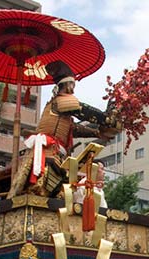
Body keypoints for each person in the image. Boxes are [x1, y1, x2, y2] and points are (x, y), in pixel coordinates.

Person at [10, 60, 116, 197]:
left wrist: (97, 133)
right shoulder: (61, 101)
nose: (73, 88)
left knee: (52, 192)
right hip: (48, 154)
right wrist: (106, 118)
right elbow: (83, 110)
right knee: (43, 191)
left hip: (53, 154)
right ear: (67, 85)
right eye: (72, 84)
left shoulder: (59, 108)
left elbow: (74, 128)